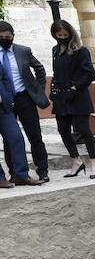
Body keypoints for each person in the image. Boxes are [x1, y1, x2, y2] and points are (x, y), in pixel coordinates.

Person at [48, 20, 95, 179]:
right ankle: (76, 161)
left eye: (65, 35)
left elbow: (90, 73)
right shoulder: (55, 50)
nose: (62, 37)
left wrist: (74, 88)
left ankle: (94, 163)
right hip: (61, 97)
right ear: (54, 35)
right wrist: (53, 91)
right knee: (63, 130)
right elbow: (57, 73)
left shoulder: (80, 51)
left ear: (70, 34)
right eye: (59, 35)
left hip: (77, 96)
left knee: (84, 130)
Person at [0, 21, 51, 182]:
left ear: (13, 36)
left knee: (34, 135)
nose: (4, 39)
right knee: (11, 138)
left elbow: (39, 69)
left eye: (7, 37)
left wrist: (38, 89)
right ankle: (15, 173)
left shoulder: (23, 51)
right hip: (5, 99)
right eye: (1, 37)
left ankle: (42, 170)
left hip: (24, 97)